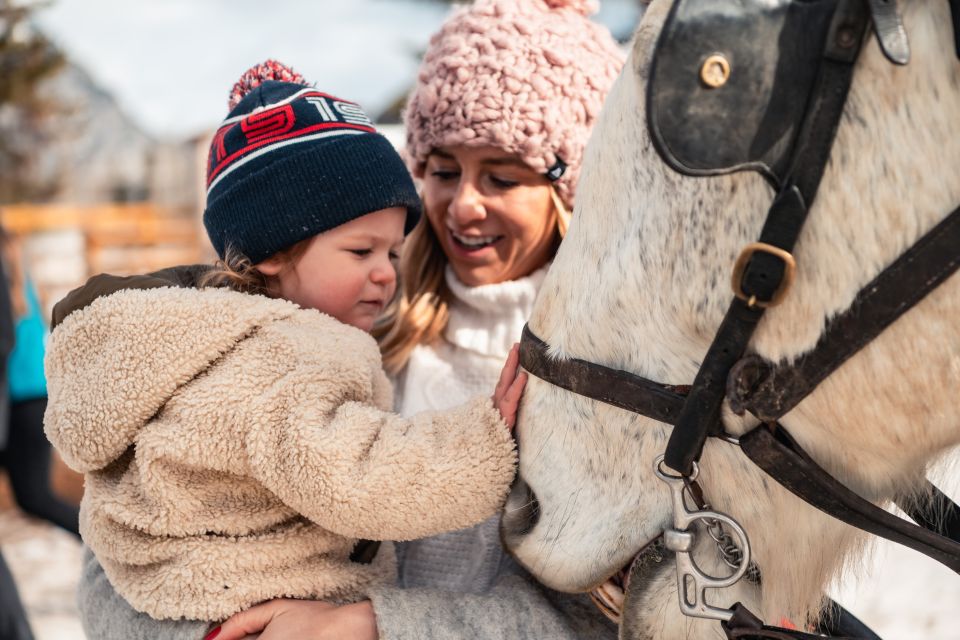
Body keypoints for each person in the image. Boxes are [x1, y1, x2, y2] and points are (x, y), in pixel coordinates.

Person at [44, 61, 526, 638]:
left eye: (393, 254)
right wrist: (485, 439)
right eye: (361, 252)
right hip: (264, 597)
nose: (386, 276)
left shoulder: (191, 342)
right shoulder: (282, 355)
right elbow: (356, 477)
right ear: (273, 249)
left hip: (198, 597)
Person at [213, 1, 626, 638]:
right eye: (442, 169)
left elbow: (606, 622)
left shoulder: (621, 377)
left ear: (572, 189)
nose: (463, 205)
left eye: (503, 176)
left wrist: (375, 627)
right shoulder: (351, 316)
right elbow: (141, 552)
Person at [0, 229, 79, 538]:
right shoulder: (22, 284)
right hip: (32, 397)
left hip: (20, 401)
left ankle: (105, 546)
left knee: (35, 497)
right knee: (34, 497)